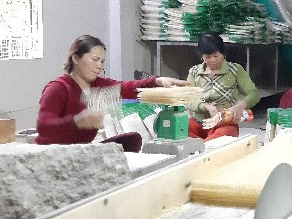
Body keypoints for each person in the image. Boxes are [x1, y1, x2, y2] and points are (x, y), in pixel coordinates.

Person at [36, 35, 188, 145]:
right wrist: (77, 122)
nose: (99, 65)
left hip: (80, 151)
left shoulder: (98, 85)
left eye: (102, 61)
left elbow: (127, 88)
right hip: (53, 153)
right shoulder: (58, 88)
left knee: (132, 141)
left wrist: (157, 81)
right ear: (75, 59)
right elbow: (43, 127)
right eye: (95, 59)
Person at [186, 32, 260, 141]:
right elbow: (188, 99)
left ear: (223, 53)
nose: (212, 60)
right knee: (180, 132)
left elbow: (254, 93)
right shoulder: (194, 72)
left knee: (226, 133)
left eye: (216, 55)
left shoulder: (235, 70)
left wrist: (241, 106)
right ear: (201, 56)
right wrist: (206, 107)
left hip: (223, 123)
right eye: (208, 57)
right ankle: (204, 146)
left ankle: (201, 147)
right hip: (199, 122)